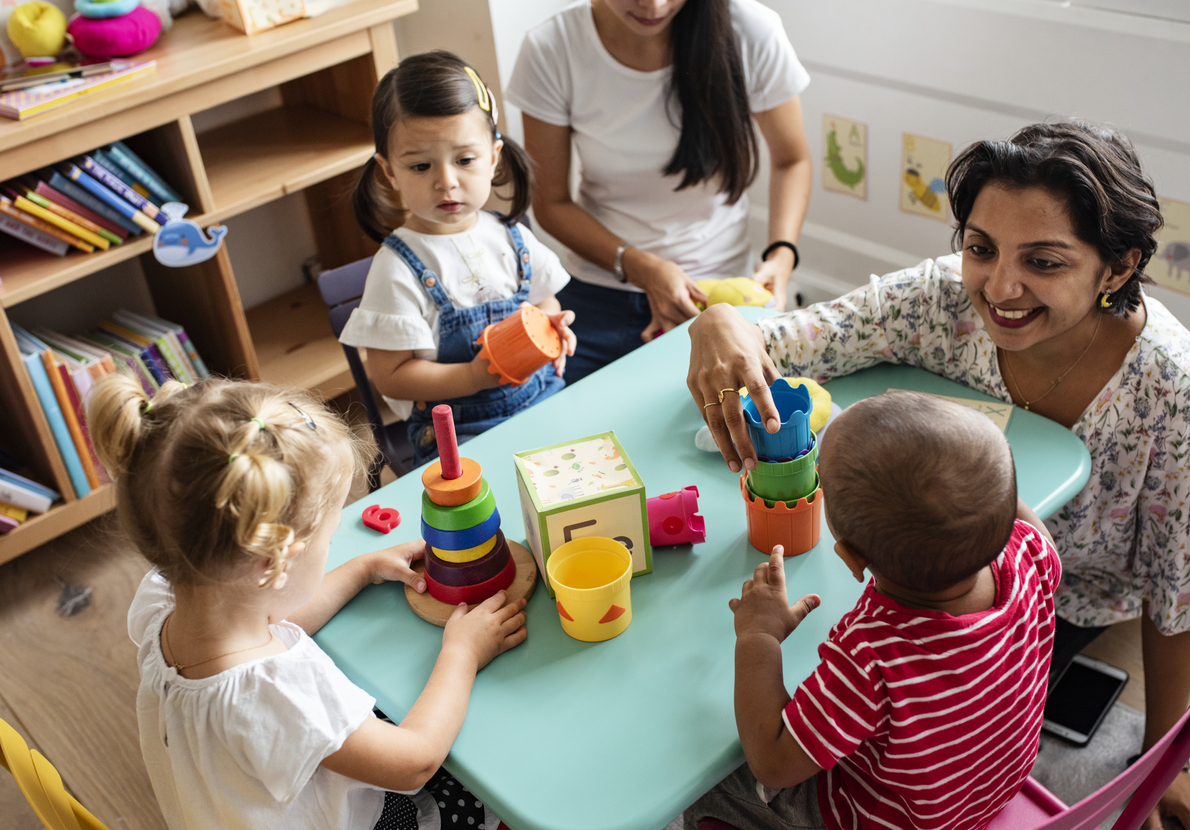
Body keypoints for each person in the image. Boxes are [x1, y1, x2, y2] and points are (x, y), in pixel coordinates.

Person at [686, 122, 1190, 830]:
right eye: (980, 249)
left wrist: (1171, 758)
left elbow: (1182, 589)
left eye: (1044, 261)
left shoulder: (1173, 390)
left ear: (1118, 268)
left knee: (744, 725)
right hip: (985, 581)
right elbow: (791, 339)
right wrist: (721, 322)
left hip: (1065, 600)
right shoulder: (938, 302)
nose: (1000, 287)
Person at [89, 374, 528, 830]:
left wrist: (360, 569)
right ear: (274, 564)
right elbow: (413, 761)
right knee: (483, 797)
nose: (333, 546)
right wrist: (462, 653)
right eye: (330, 538)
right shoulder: (276, 692)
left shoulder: (165, 599)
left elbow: (269, 616)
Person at [685, 391, 1062, 830]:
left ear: (850, 558)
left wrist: (759, 637)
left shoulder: (871, 656)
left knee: (713, 781)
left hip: (889, 820)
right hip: (979, 796)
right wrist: (976, 476)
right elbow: (1021, 520)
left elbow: (772, 761)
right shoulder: (1029, 553)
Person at [505, 0, 813, 382]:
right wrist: (643, 268)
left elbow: (792, 160)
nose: (653, 5)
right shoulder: (552, 47)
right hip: (600, 290)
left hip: (717, 294)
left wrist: (782, 255)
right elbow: (550, 202)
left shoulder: (752, 30)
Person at [343, 51, 577, 467]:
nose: (446, 182)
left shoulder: (511, 236)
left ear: (493, 156)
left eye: (465, 160)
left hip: (544, 401)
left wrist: (551, 329)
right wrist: (472, 376)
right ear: (389, 172)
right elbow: (390, 376)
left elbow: (544, 301)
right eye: (420, 165)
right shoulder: (397, 268)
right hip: (463, 436)